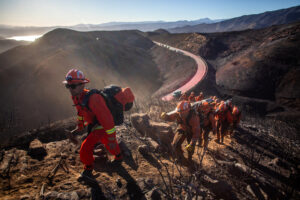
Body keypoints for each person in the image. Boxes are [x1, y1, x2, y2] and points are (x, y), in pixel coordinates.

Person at [63, 69, 122, 179]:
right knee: (106, 141)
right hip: (95, 124)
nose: (70, 89)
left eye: (73, 86)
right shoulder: (76, 96)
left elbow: (107, 119)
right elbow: (80, 112)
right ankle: (119, 157)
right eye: (68, 86)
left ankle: (88, 170)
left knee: (85, 147)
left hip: (101, 124)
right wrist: (79, 127)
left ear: (82, 85)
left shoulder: (94, 99)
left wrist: (112, 138)